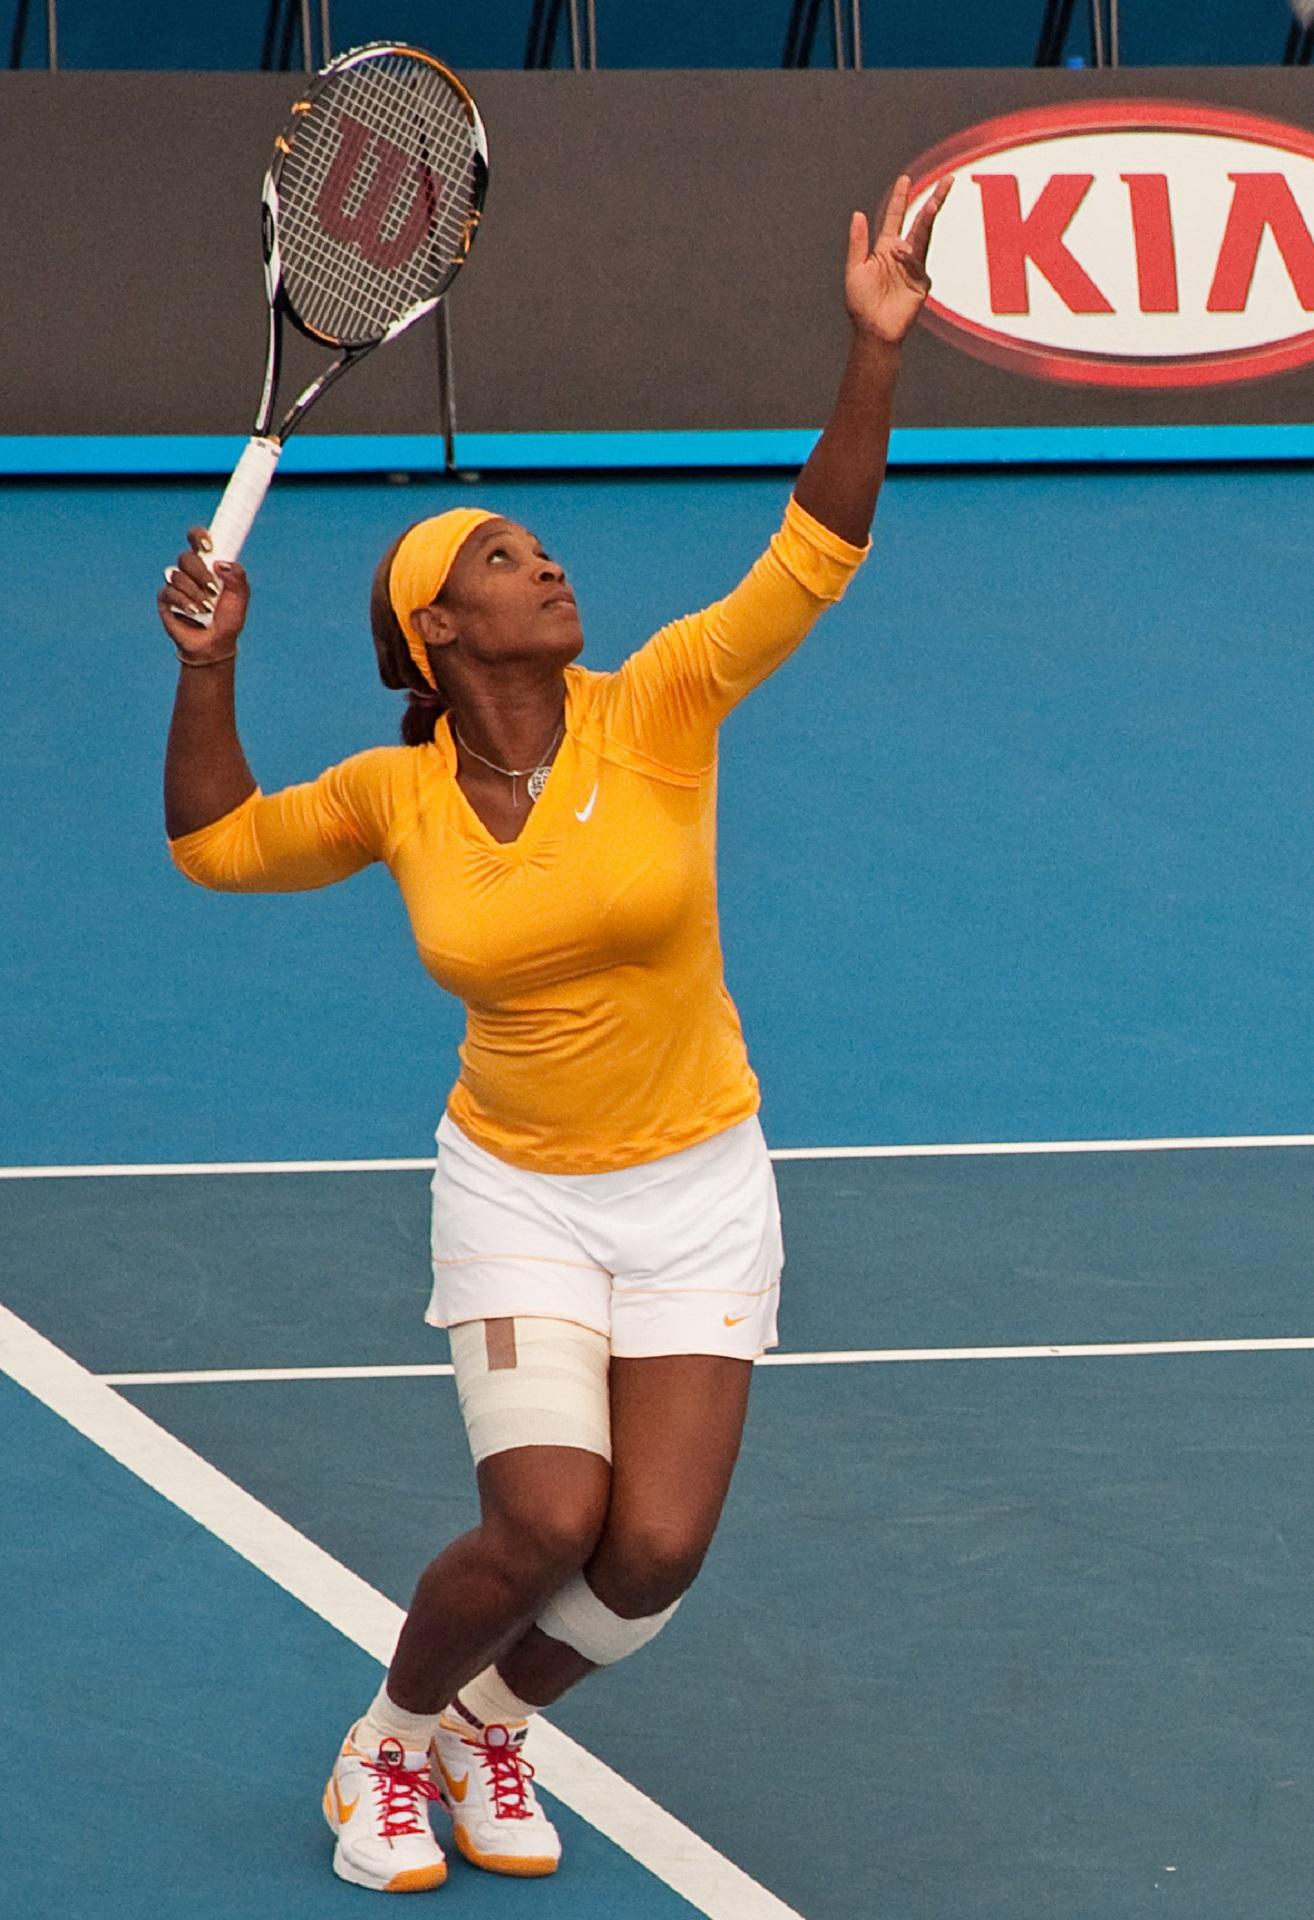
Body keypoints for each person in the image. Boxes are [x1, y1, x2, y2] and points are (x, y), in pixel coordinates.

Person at [159, 173, 951, 1896]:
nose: (548, 562)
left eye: (540, 548)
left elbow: (814, 549)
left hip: (697, 1180)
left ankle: (495, 1724)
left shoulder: (658, 708)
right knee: (544, 1522)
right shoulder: (394, 792)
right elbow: (217, 845)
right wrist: (209, 667)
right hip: (518, 1189)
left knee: (654, 1548)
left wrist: (872, 353)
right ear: (441, 631)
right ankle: (389, 1740)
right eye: (506, 559)